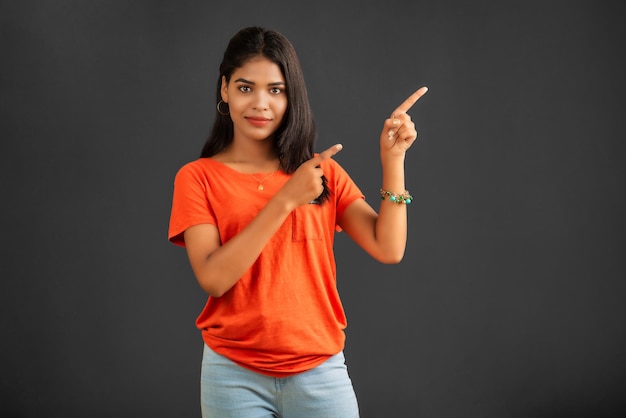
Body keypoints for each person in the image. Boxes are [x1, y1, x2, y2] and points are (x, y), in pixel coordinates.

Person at [168, 26, 427, 418]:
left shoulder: (321, 173)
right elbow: (213, 277)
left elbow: (388, 248)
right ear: (224, 90)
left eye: (275, 90)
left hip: (320, 371)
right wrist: (285, 200)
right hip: (232, 374)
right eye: (244, 87)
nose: (260, 103)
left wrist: (393, 161)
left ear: (292, 96)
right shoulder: (198, 177)